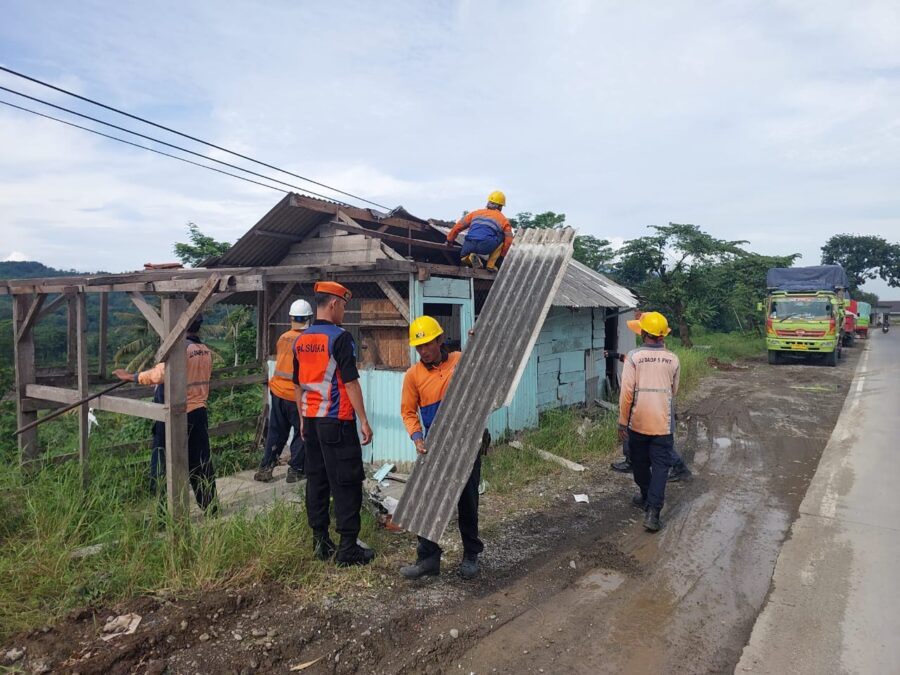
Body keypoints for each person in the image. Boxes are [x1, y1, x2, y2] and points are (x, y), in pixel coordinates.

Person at [294, 281, 375, 567]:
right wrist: (364, 420)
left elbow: (298, 386)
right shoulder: (340, 338)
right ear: (332, 304)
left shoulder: (300, 340)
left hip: (312, 423)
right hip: (337, 421)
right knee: (346, 481)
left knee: (316, 480)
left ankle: (320, 541)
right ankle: (348, 547)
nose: (344, 311)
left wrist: (303, 420)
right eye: (343, 305)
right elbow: (350, 382)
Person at [398, 316, 486, 580]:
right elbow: (407, 411)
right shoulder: (413, 375)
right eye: (419, 347)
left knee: (467, 500)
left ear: (439, 340)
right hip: (434, 446)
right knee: (425, 499)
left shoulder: (460, 360)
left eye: (427, 344)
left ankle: (471, 554)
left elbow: (483, 368)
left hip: (466, 441)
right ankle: (428, 558)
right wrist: (417, 438)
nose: (423, 350)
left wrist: (478, 342)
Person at [113, 315, 217, 513]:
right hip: (199, 412)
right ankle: (211, 507)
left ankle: (164, 513)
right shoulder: (205, 351)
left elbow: (159, 374)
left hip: (176, 416)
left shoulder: (180, 350)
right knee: (201, 462)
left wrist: (130, 376)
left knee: (163, 463)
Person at [617, 312, 680, 532]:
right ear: (663, 336)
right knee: (661, 468)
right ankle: (653, 513)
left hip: (638, 422)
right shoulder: (673, 359)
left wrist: (622, 423)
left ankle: (645, 495)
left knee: (640, 463)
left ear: (643, 333)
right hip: (663, 424)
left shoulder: (633, 357)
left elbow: (626, 393)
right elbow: (674, 391)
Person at [605, 348, 691, 481]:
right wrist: (613, 354)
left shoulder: (643, 357)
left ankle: (679, 467)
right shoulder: (662, 357)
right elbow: (628, 359)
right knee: (657, 442)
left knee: (656, 443)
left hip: (644, 404)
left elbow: (630, 363)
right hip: (658, 406)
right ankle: (632, 461)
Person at [254, 299, 313, 483]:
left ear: (291, 318)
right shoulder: (309, 340)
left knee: (276, 431)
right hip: (297, 394)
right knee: (302, 431)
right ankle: (296, 470)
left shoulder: (283, 337)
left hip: (278, 392)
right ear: (309, 318)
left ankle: (265, 468)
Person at [446, 190, 514, 271]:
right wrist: (502, 255)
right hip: (486, 246)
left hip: (469, 244)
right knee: (503, 236)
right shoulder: (504, 220)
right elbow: (509, 241)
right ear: (500, 206)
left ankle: (469, 258)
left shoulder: (475, 213)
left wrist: (449, 240)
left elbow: (457, 227)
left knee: (463, 257)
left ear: (488, 203)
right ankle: (491, 265)